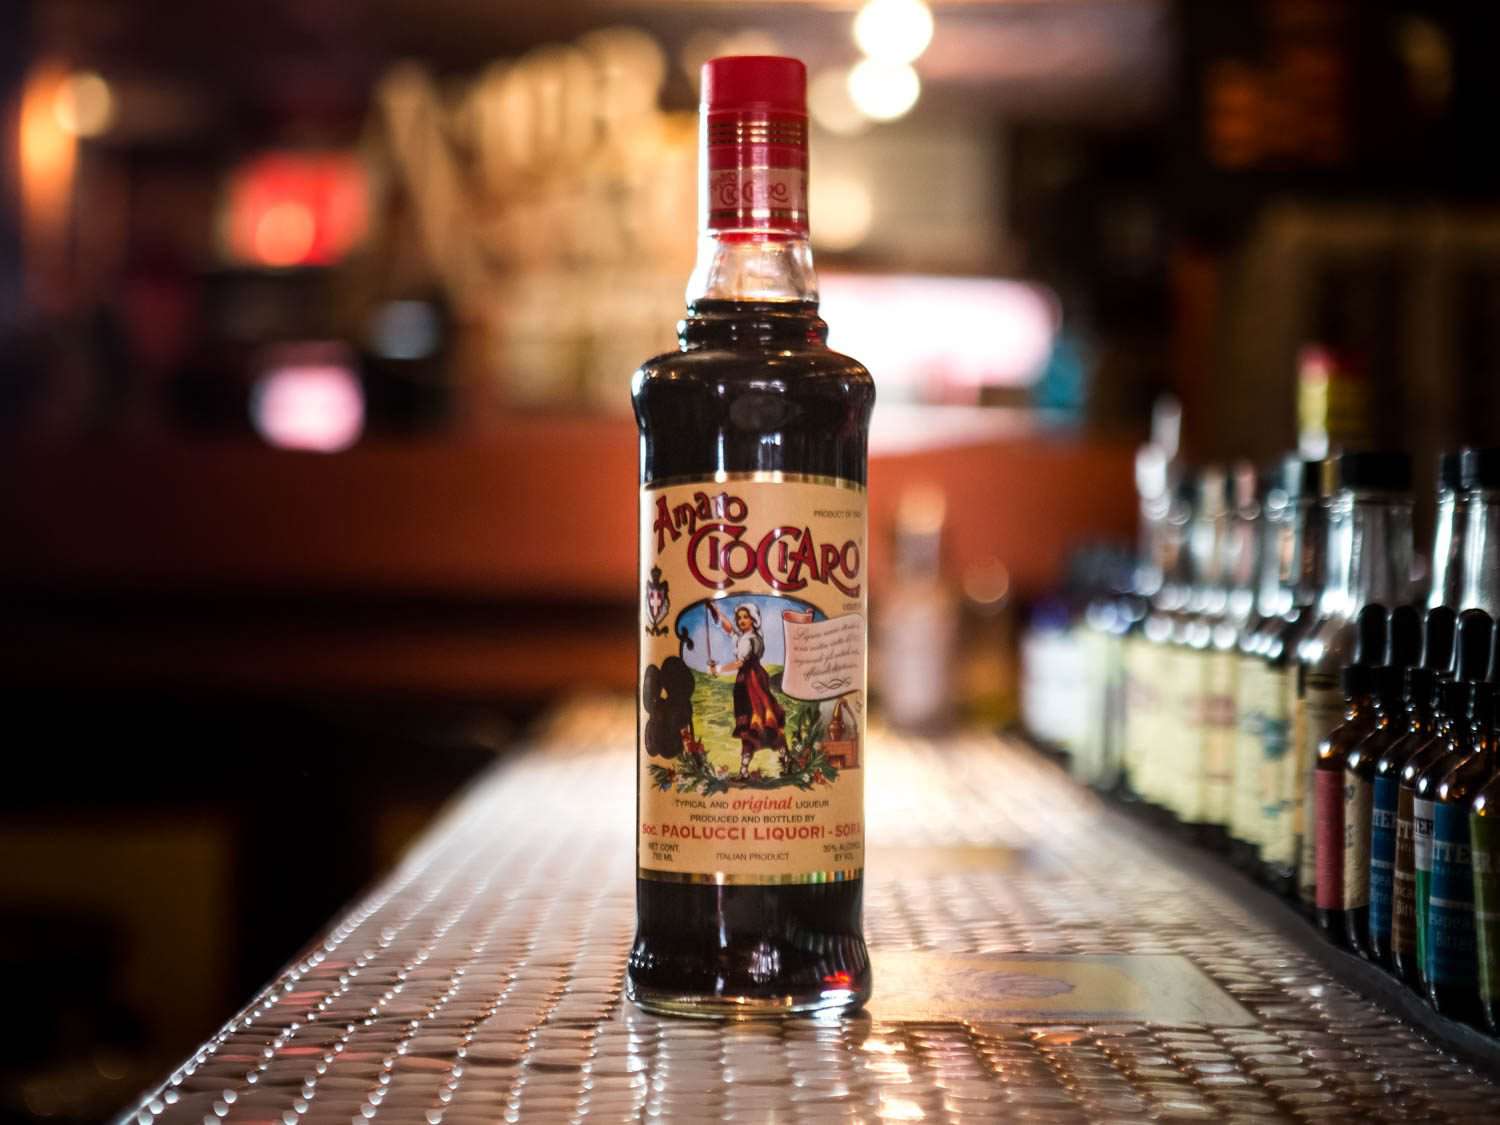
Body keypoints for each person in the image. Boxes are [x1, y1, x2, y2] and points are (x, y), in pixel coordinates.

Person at [707, 602, 787, 778]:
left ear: (753, 619)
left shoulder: (750, 640)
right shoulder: (744, 637)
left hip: (751, 681)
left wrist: (718, 669)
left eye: (745, 617)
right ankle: (744, 770)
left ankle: (785, 759)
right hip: (747, 682)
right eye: (739, 618)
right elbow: (730, 631)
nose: (741, 620)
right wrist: (717, 612)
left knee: (757, 721)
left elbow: (740, 663)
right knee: (748, 725)